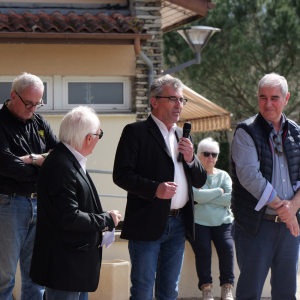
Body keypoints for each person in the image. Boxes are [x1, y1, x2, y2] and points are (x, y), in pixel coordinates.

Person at [113, 75, 207, 300]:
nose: (179, 105)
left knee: (169, 291)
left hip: (178, 223)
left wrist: (192, 159)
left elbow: (200, 180)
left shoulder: (182, 135)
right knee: (143, 291)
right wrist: (154, 188)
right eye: (173, 99)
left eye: (182, 100)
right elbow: (121, 175)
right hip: (147, 222)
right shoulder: (135, 132)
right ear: (154, 101)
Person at [29, 106, 121, 300]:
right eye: (99, 134)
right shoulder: (62, 165)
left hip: (74, 265)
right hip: (66, 267)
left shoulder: (69, 160)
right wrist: (106, 219)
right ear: (89, 138)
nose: (98, 139)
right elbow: (69, 217)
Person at [231, 73, 300, 300]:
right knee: (250, 293)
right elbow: (249, 176)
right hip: (255, 226)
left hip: (288, 230)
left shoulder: (297, 133)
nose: (268, 103)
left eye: (274, 97)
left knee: (286, 294)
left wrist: (293, 209)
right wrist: (286, 209)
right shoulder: (245, 131)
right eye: (263, 97)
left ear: (286, 98)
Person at [0, 73, 58, 300]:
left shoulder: (40, 122)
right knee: (4, 276)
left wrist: (30, 159)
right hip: (9, 203)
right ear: (13, 96)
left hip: (40, 203)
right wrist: (42, 163)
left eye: (38, 103)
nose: (33, 108)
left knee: (36, 275)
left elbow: (59, 157)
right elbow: (7, 166)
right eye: (29, 103)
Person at [187, 137, 234, 300]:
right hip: (199, 222)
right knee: (203, 251)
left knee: (227, 249)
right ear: (198, 155)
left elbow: (230, 199)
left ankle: (227, 287)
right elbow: (195, 196)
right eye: (206, 154)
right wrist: (219, 192)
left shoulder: (224, 176)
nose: (210, 157)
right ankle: (206, 288)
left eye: (214, 154)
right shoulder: (193, 175)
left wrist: (204, 197)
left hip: (223, 222)